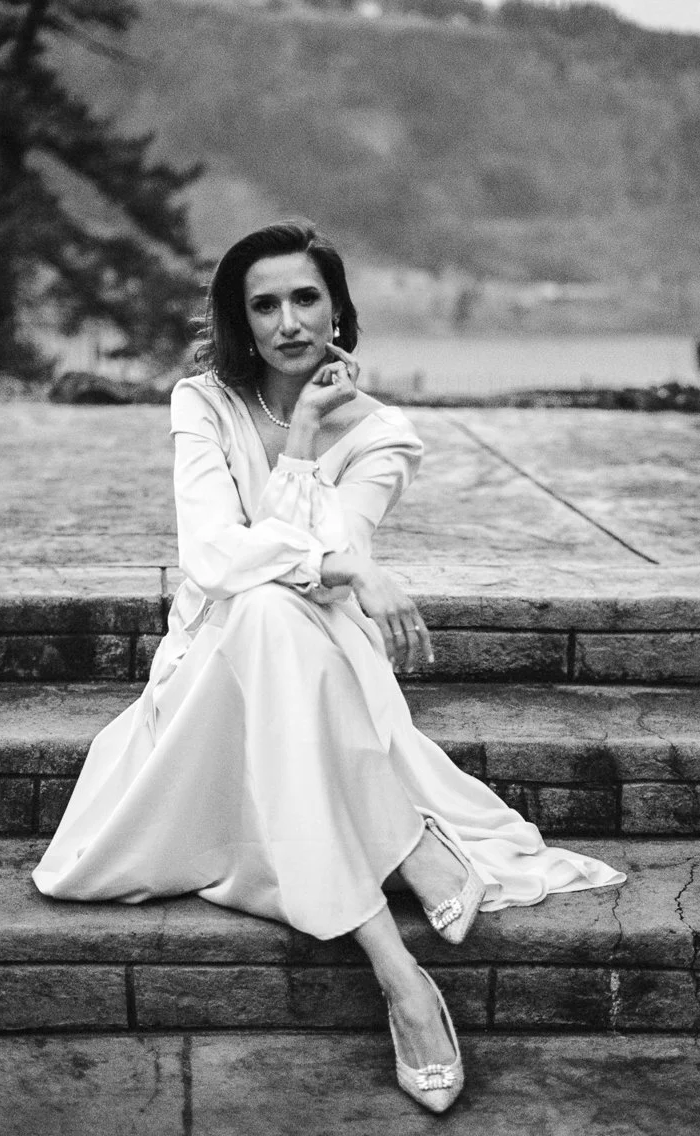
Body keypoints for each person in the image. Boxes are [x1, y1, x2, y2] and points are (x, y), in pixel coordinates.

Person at [33, 220, 625, 1113]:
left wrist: (321, 473)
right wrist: (308, 455)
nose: (288, 322)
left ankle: (400, 977)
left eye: (306, 298)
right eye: (263, 304)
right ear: (240, 319)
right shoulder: (203, 402)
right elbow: (214, 561)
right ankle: (403, 925)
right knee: (261, 604)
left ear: (339, 309)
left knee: (276, 607)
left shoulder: (385, 435)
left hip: (315, 655)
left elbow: (305, 555)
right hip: (209, 670)